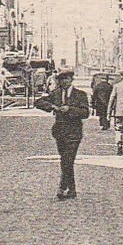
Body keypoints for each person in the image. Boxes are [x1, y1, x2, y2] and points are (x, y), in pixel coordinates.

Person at [35, 69, 90, 200]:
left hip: (74, 133)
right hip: (59, 132)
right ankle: (72, 189)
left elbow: (85, 113)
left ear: (71, 80)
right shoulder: (56, 94)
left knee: (68, 160)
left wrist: (70, 109)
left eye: (66, 79)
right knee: (65, 160)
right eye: (61, 79)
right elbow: (38, 102)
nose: (64, 81)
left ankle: (62, 187)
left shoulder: (80, 95)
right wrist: (52, 106)